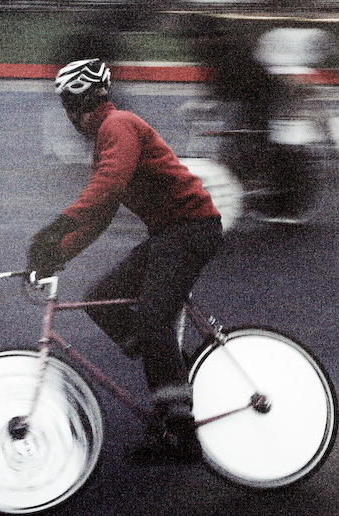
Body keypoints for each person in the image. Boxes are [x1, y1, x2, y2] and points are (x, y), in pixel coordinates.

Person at [27, 59, 223, 462]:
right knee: (103, 298)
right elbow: (100, 216)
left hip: (191, 228)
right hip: (170, 233)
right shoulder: (106, 135)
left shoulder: (117, 126)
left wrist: (53, 230)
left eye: (67, 104)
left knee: (153, 319)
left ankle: (180, 431)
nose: (66, 115)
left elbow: (105, 188)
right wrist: (57, 254)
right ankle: (174, 370)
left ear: (77, 102)